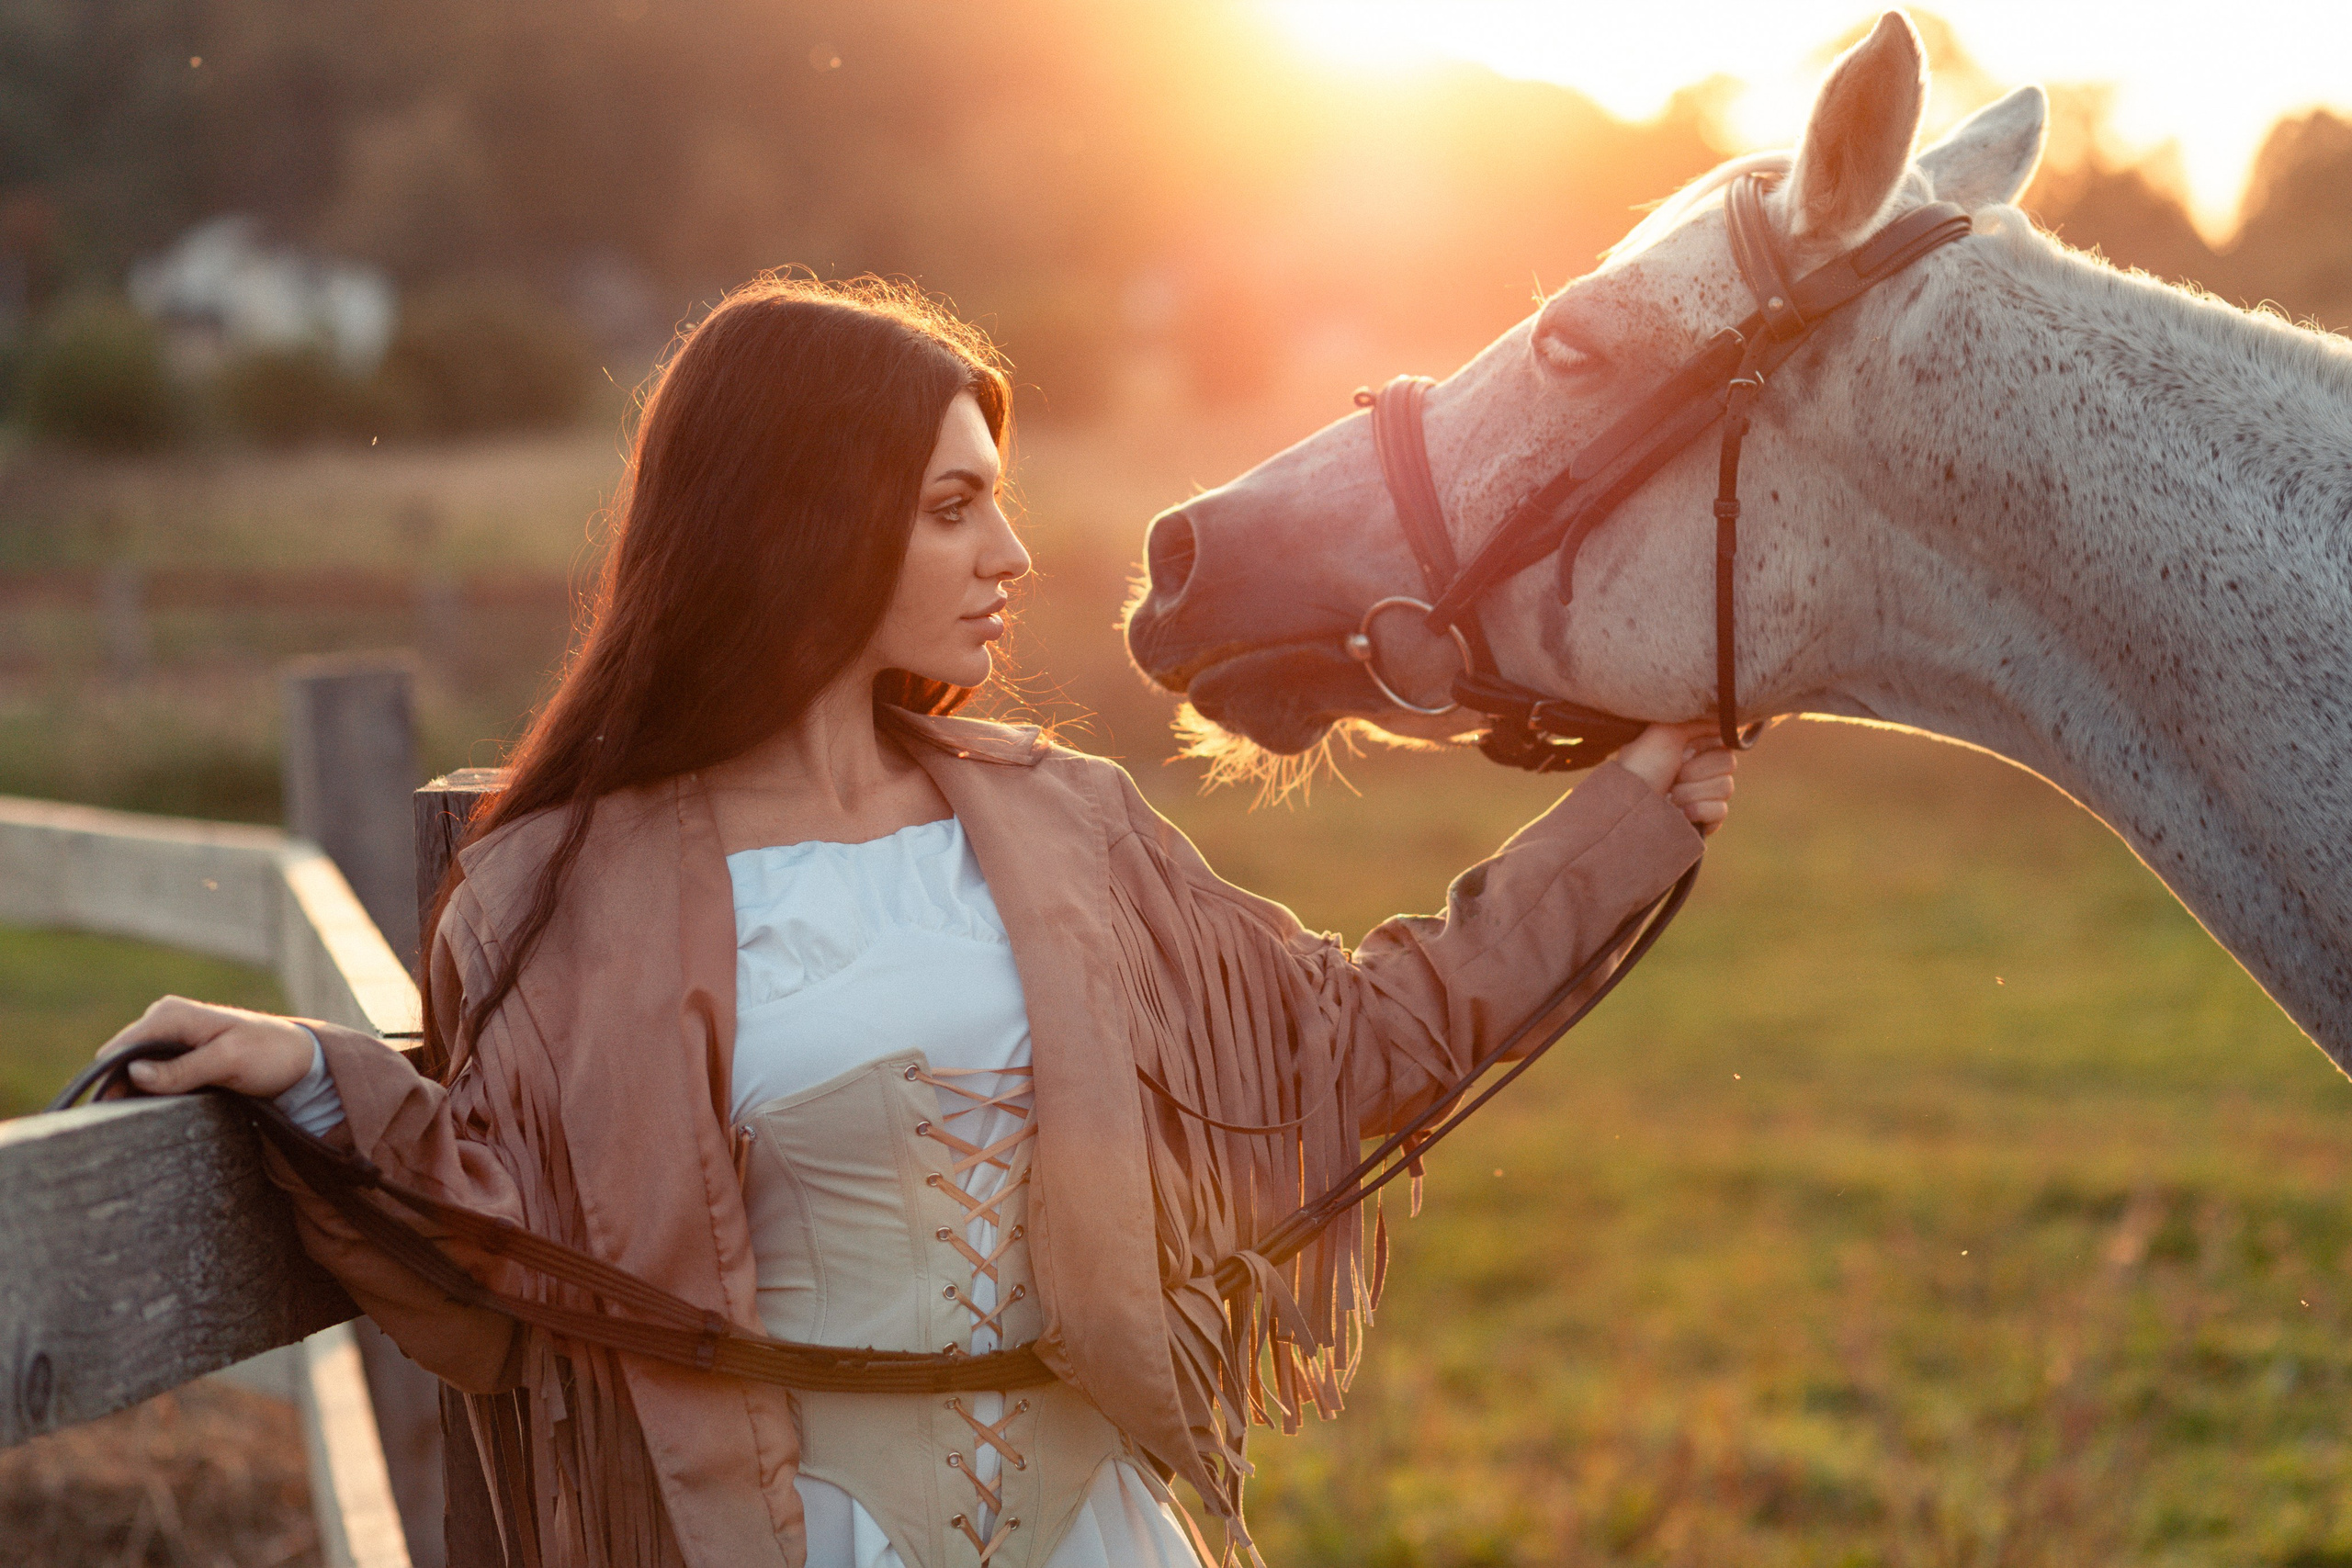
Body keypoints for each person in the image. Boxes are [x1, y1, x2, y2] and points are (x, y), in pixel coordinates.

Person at [95, 276, 1737, 1568]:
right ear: (800, 518)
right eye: (953, 507)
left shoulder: (1062, 822)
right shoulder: (563, 891)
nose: (1014, 553)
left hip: (1096, 1535)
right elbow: (508, 1249)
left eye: (998, 500)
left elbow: (1355, 1040)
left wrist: (1632, 816)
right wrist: (310, 1074)